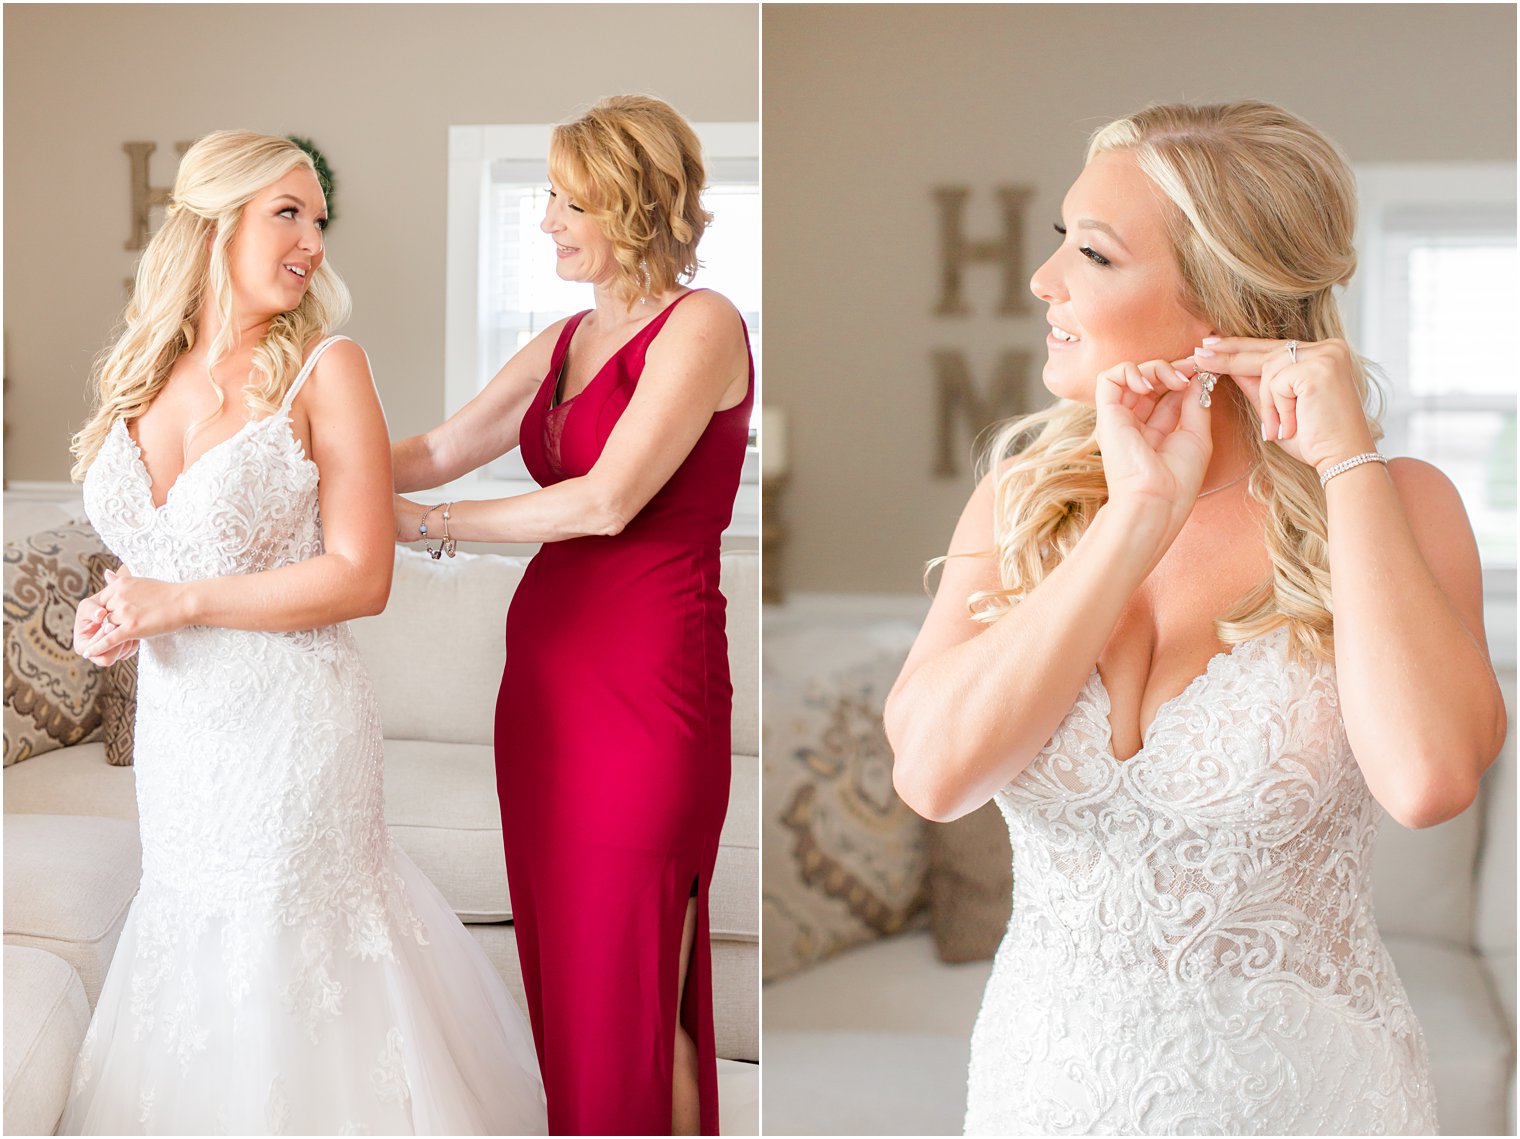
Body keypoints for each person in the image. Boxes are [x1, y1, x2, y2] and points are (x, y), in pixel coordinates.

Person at [885, 101, 1505, 1135]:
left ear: (1222, 294)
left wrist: (1343, 461)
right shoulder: (1022, 501)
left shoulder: (1398, 502)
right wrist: (1132, 516)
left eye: (1091, 253)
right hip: (1043, 1087)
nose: (1044, 282)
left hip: (1305, 1098)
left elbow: (1427, 779)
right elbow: (933, 775)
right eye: (1058, 243)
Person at [62, 130, 545, 1135]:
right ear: (216, 220)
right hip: (183, 735)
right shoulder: (139, 372)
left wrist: (176, 603)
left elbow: (359, 575)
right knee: (193, 938)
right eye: (289, 212)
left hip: (290, 730)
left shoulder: (325, 368)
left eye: (319, 220)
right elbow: (157, 555)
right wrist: (119, 605)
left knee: (291, 943)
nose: (313, 241)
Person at [391, 94, 752, 1136]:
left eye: (563, 197)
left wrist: (430, 525)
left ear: (629, 202)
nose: (544, 218)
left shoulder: (703, 324)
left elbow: (605, 500)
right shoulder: (564, 339)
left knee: (633, 997)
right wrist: (304, 447)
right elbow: (435, 449)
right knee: (577, 997)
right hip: (545, 691)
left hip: (649, 687)